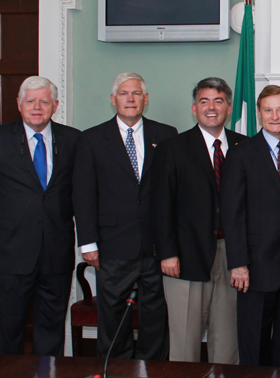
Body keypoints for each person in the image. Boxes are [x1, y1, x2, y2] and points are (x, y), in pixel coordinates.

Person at [0, 76, 81, 355]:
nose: (37, 107)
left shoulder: (74, 140)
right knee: (8, 329)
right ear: (19, 105)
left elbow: (83, 192)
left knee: (51, 328)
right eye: (30, 101)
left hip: (56, 252)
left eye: (44, 101)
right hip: (10, 252)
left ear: (55, 105)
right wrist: (3, 222)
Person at [73, 73, 177, 360]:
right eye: (123, 93)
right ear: (113, 99)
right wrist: (88, 243)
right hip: (112, 245)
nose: (130, 99)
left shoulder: (166, 134)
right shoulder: (92, 138)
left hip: (156, 247)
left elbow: (173, 192)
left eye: (136, 94)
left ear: (145, 99)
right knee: (114, 319)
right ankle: (117, 371)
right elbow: (83, 195)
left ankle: (152, 370)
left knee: (156, 318)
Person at [153, 77, 247, 364]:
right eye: (204, 101)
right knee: (185, 342)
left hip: (233, 257)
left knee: (228, 340)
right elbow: (161, 205)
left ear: (228, 108)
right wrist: (167, 253)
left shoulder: (245, 147)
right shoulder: (173, 148)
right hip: (186, 255)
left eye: (218, 101)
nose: (211, 107)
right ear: (194, 109)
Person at [221, 85, 280, 367]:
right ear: (258, 114)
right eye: (268, 110)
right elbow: (232, 213)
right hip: (255, 267)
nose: (275, 116)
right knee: (254, 344)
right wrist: (238, 263)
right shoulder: (241, 154)